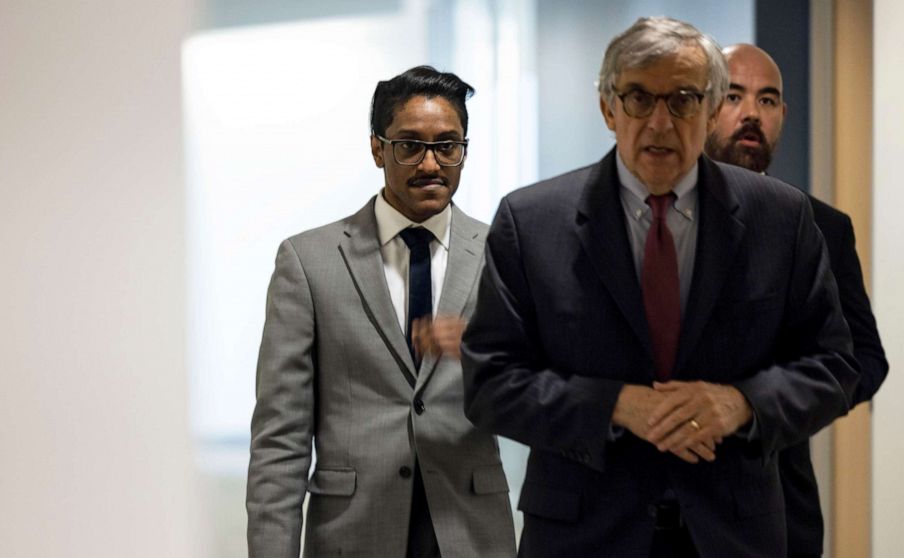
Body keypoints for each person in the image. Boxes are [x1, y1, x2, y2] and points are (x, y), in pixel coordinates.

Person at [461, 17, 859, 557]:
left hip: (734, 533)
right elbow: (490, 385)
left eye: (683, 99)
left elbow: (833, 365)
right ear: (608, 108)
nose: (660, 123)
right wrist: (615, 406)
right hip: (583, 535)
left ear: (713, 108)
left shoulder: (781, 218)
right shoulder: (531, 221)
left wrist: (741, 403)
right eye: (639, 99)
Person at [246, 66, 516, 558]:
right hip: (352, 533)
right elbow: (279, 438)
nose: (431, 163)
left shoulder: (503, 253)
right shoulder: (309, 262)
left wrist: (485, 351)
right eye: (410, 145)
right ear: (378, 149)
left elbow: (539, 389)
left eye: (448, 145)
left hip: (471, 532)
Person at [706, 43, 888, 558]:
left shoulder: (821, 225)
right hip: (653, 507)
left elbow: (863, 362)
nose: (750, 114)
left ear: (782, 115)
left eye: (766, 101)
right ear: (699, 104)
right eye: (732, 96)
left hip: (778, 499)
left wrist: (774, 402)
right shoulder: (651, 215)